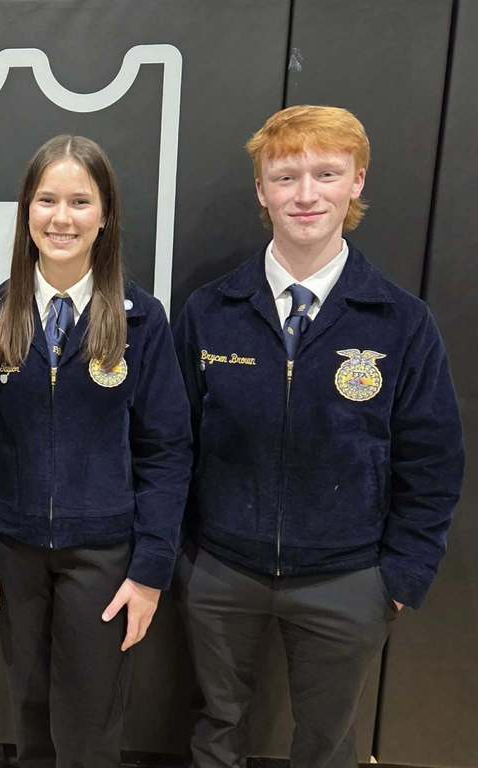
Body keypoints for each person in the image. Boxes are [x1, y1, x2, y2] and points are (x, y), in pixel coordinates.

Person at [172, 105, 465, 768]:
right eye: (286, 177)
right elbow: (173, 443)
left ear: (357, 182)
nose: (305, 194)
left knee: (326, 745)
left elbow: (433, 461)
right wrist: (185, 558)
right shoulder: (211, 311)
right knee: (216, 731)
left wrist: (400, 576)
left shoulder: (400, 322)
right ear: (261, 191)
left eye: (326, 174)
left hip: (348, 579)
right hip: (220, 571)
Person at [0, 135, 192, 767]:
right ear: (26, 210)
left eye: (80, 201)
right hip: (13, 551)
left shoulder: (141, 321)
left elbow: (167, 451)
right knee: (29, 716)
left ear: (105, 215)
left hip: (104, 557)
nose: (62, 218)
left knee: (89, 727)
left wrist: (150, 571)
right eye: (47, 200)